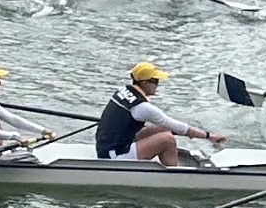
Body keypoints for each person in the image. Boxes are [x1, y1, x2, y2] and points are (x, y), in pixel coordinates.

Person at [94, 61, 227, 166]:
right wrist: (208, 136)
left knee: (162, 129)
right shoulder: (142, 107)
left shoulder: (123, 91)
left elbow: (169, 126)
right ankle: (174, 174)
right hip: (113, 157)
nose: (157, 85)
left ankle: (167, 159)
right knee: (167, 139)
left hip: (108, 145)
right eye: (155, 81)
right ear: (144, 83)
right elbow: (177, 126)